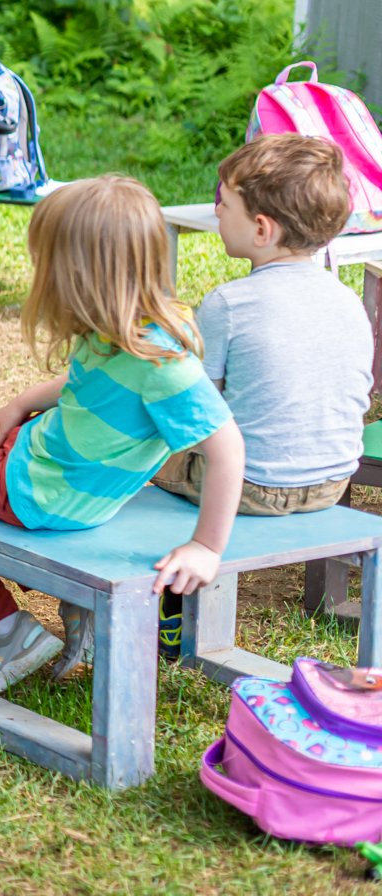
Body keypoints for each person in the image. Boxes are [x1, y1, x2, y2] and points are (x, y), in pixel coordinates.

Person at [0, 175, 246, 694]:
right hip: (47, 462)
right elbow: (88, 385)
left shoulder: (164, 364)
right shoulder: (130, 325)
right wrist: (21, 404)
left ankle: (5, 631)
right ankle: (73, 607)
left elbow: (227, 446)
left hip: (46, 492)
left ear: (78, 275)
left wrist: (207, 547)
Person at [152, 135, 373, 650]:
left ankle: (170, 603)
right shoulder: (347, 302)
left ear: (261, 228)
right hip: (331, 481)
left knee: (137, 455)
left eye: (222, 204)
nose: (215, 211)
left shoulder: (229, 303)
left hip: (253, 485)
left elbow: (194, 408)